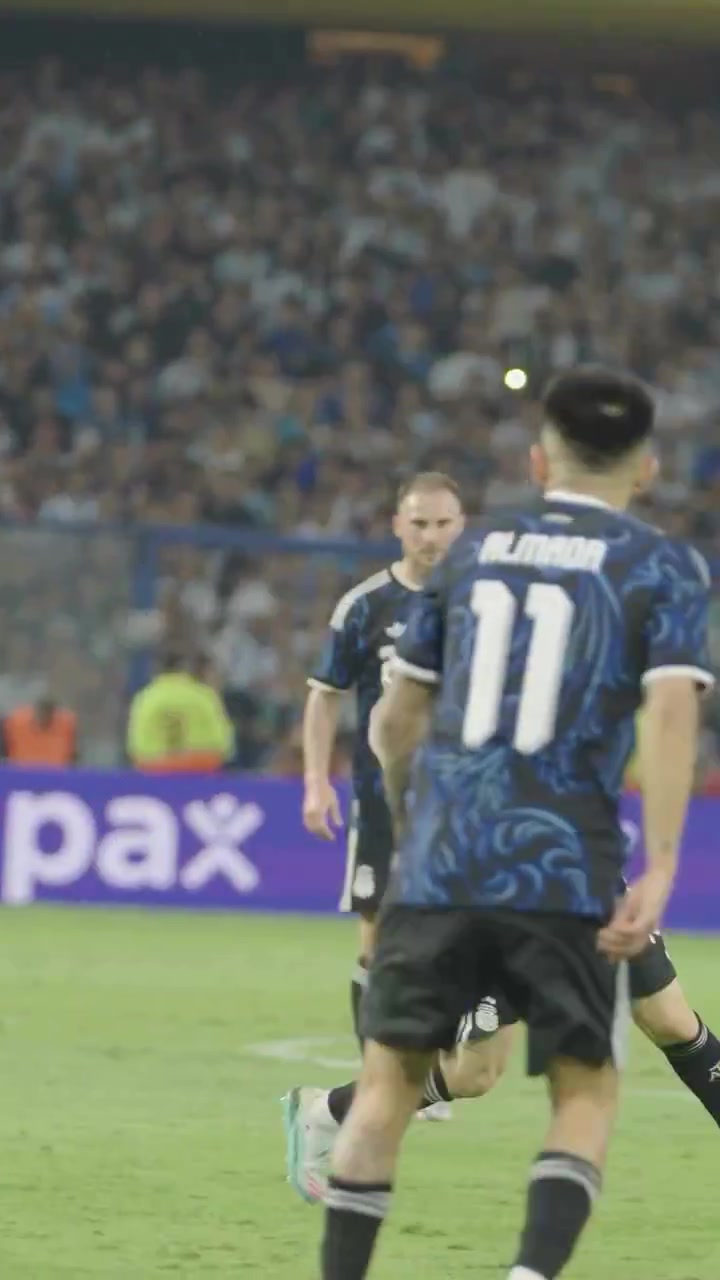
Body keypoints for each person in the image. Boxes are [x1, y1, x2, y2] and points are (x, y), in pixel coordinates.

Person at [316, 366, 714, 1280]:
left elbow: (393, 722)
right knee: (584, 1094)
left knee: (387, 1088)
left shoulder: (472, 550)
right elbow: (670, 719)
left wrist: (417, 819)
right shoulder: (662, 567)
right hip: (564, 865)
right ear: (647, 468)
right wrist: (660, 866)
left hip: (442, 858)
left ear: (538, 461)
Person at [298, 471, 482, 1128]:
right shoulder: (366, 605)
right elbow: (324, 695)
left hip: (464, 808)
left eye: (443, 523)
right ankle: (382, 1081)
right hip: (386, 805)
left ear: (462, 525)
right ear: (398, 526)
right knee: (377, 943)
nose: (431, 535)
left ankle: (423, 1072)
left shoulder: (484, 602)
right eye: (419, 523)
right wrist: (316, 780)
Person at [126, 652, 235, 772]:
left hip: (154, 770)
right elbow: (224, 745)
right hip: (200, 771)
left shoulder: (144, 698)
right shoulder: (204, 695)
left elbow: (135, 747)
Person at [1, 689, 79, 766]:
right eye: (41, 712)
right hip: (20, 771)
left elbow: (72, 753)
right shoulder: (16, 723)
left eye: (47, 713)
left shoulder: (66, 725)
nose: (43, 716)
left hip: (56, 771)